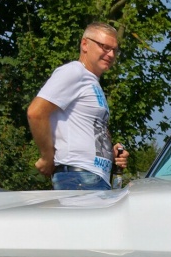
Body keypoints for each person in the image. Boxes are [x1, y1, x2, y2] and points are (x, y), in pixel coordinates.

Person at [27, 22, 129, 190]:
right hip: (78, 177)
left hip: (92, 177)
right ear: (85, 44)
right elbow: (36, 112)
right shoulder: (74, 72)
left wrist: (111, 153)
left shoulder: (92, 82)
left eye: (114, 50)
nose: (110, 54)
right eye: (105, 47)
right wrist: (47, 157)